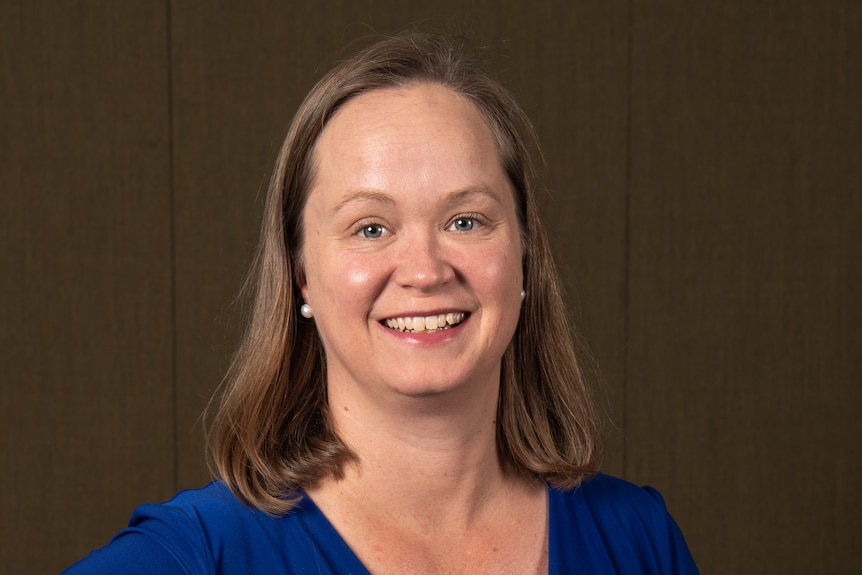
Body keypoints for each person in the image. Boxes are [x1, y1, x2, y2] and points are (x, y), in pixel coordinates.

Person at [62, 31, 698, 574]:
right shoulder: (200, 555)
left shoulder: (639, 540)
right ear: (301, 276)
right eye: (370, 228)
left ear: (526, 258)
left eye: (467, 221)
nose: (424, 270)